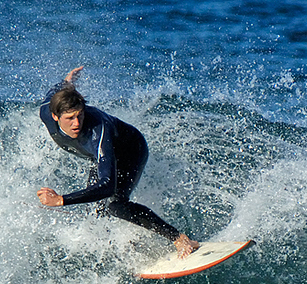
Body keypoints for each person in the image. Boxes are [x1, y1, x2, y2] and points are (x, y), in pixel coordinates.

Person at [37, 66, 199, 259]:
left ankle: (180, 239)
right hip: (100, 155)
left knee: (116, 205)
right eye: (70, 118)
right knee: (95, 210)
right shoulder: (46, 113)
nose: (77, 122)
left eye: (80, 115)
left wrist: (61, 200)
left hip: (130, 150)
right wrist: (68, 83)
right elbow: (53, 93)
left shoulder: (98, 129)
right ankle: (124, 245)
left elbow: (107, 185)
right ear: (55, 116)